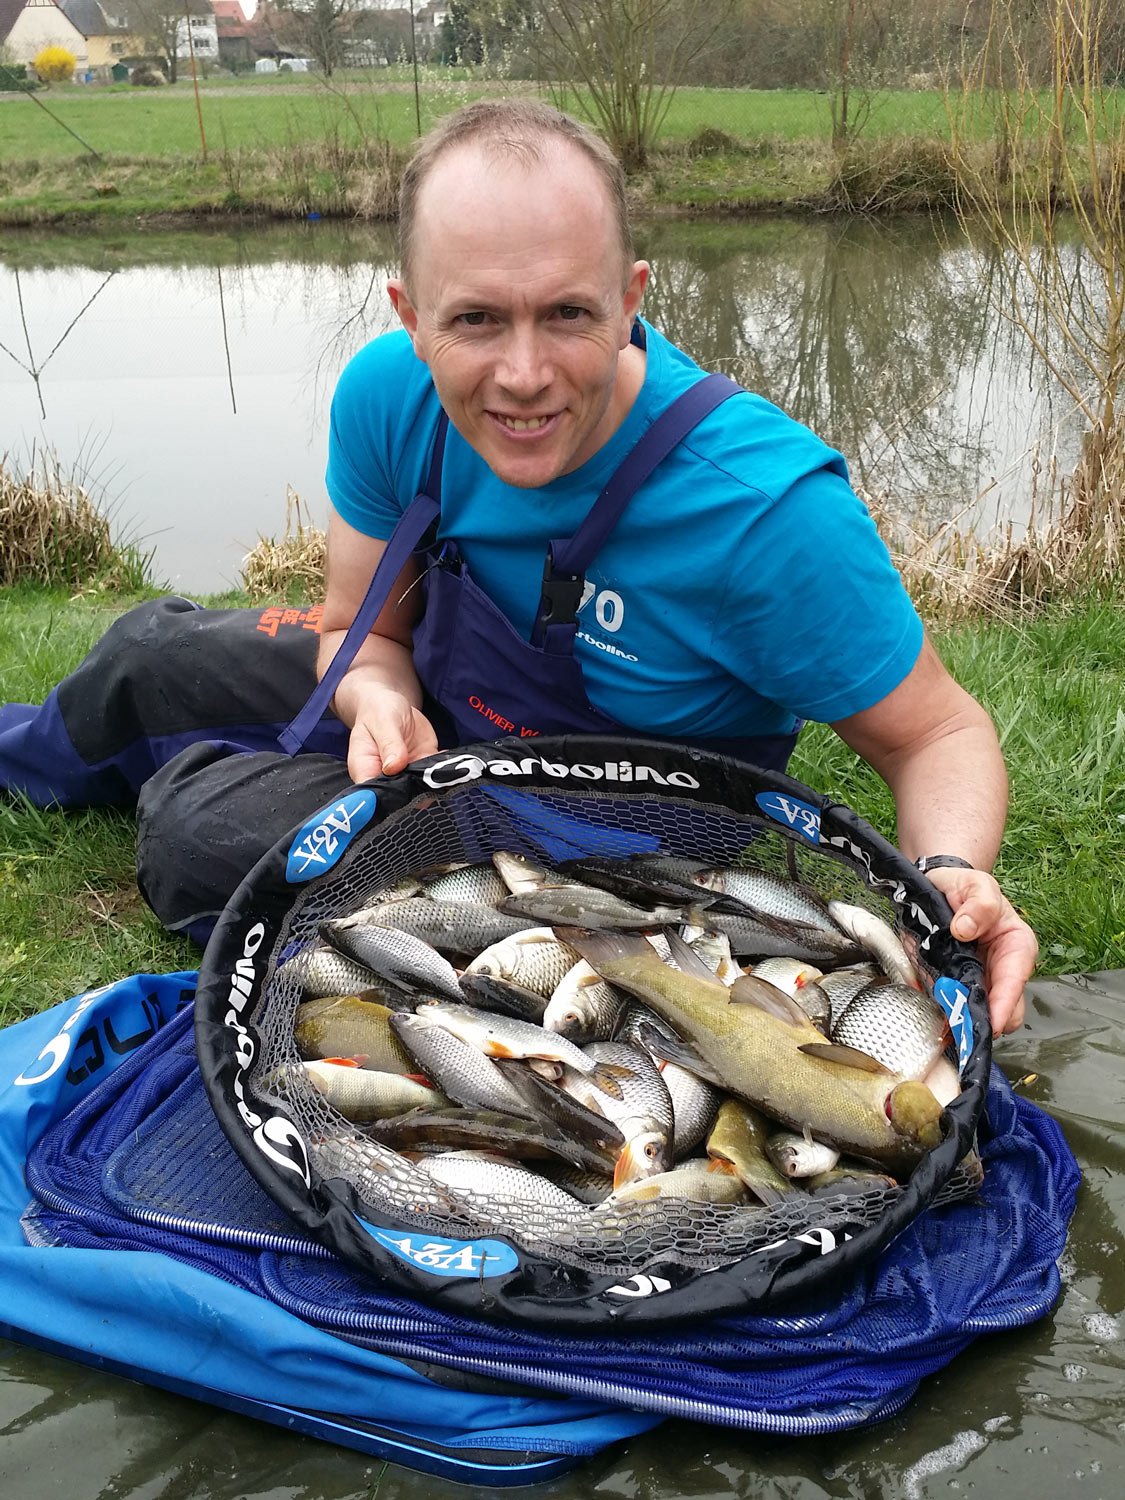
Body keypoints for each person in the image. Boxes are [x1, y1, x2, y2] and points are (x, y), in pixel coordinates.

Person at [0, 100, 1036, 1033]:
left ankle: (189, 784)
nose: (526, 375)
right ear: (409, 317)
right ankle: (44, 765)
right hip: (441, 718)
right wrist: (375, 695)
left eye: (569, 314)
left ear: (630, 300)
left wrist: (951, 877)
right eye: (477, 320)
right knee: (146, 652)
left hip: (600, 832)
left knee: (200, 834)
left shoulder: (764, 511)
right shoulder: (386, 399)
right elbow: (356, 629)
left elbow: (937, 734)